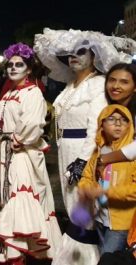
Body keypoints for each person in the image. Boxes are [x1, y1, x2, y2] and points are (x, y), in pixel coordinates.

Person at [35, 28, 131, 264]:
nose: (73, 57)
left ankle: (84, 258)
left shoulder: (97, 84)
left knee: (84, 209)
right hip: (65, 149)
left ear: (93, 56)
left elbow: (95, 127)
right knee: (71, 206)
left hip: (83, 151)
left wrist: (83, 160)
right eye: (70, 53)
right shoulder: (70, 84)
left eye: (80, 52)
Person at [0, 43, 62, 263]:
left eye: (20, 65)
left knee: (21, 197)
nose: (13, 68)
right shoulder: (8, 93)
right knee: (4, 199)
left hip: (22, 154)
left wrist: (19, 139)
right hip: (5, 151)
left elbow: (34, 122)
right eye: (10, 65)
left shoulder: (33, 92)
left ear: (28, 69)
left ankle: (20, 255)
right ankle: (8, 253)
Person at [78, 105, 136, 254]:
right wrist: (86, 188)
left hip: (121, 223)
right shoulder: (98, 152)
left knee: (107, 259)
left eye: (124, 120)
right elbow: (86, 177)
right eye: (112, 119)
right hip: (100, 219)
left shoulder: (132, 157)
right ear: (101, 125)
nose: (118, 123)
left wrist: (106, 191)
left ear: (130, 125)